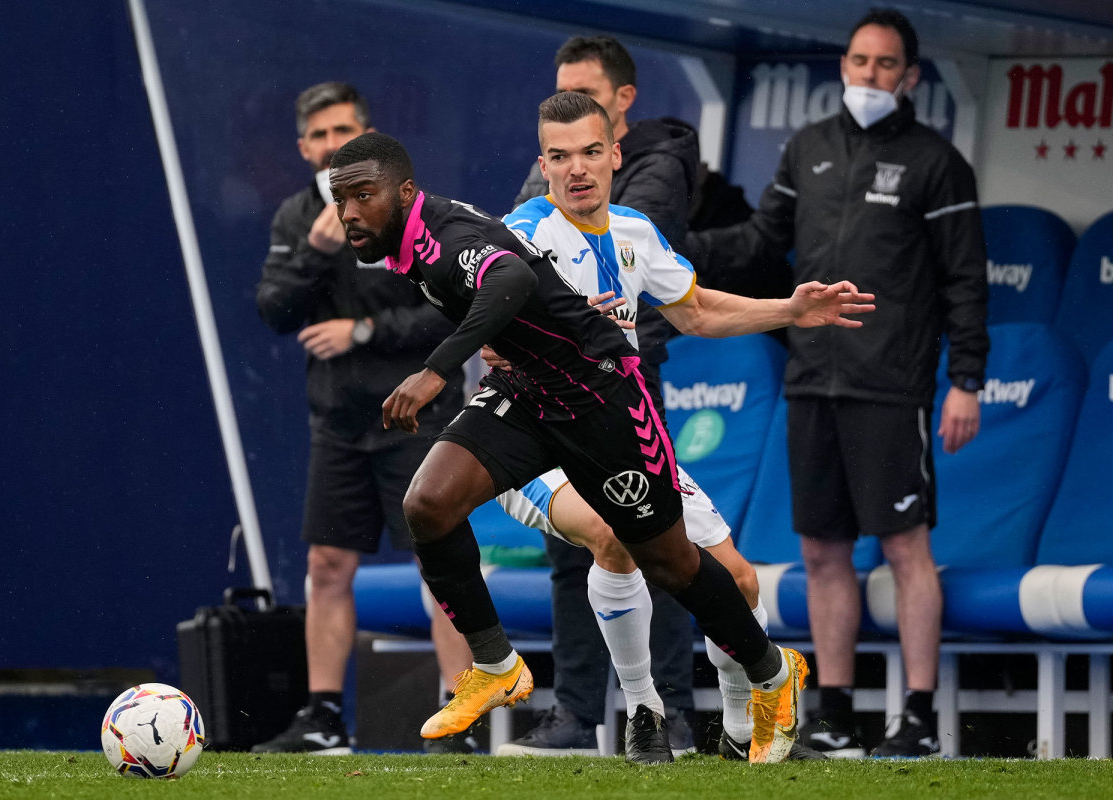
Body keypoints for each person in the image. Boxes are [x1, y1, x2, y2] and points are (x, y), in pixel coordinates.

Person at [327, 129, 875, 763]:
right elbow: (505, 291)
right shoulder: (496, 226)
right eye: (341, 200)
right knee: (427, 503)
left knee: (678, 565)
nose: (348, 213)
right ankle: (505, 667)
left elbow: (516, 284)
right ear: (542, 164)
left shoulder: (475, 237)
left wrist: (433, 371)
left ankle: (771, 676)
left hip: (603, 400)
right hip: (528, 395)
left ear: (617, 151)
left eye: (360, 196)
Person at [692, 8, 988, 758]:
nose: (870, 75)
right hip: (810, 381)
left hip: (891, 384)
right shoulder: (809, 147)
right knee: (823, 551)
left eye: (886, 64)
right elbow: (763, 243)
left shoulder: (936, 161)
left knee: (904, 547)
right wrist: (673, 248)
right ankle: (835, 712)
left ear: (911, 77)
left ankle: (917, 715)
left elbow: (965, 280)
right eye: (859, 61)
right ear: (844, 66)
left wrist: (968, 381)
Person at [491, 93, 823, 763]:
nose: (577, 169)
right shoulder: (519, 236)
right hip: (534, 443)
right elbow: (491, 344)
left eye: (591, 152)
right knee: (615, 532)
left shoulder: (636, 232)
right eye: (561, 157)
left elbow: (697, 312)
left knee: (739, 581)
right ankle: (644, 711)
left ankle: (742, 735)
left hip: (620, 438)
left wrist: (789, 308)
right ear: (543, 165)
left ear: (616, 154)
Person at [251, 82, 472, 755]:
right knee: (326, 566)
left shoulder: (411, 209)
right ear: (302, 149)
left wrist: (365, 330)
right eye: (317, 136)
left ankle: (459, 717)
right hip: (338, 423)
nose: (330, 146)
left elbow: (453, 310)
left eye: (342, 131)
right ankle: (322, 718)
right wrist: (318, 253)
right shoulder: (297, 218)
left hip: (418, 417)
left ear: (366, 137)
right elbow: (274, 311)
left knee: (443, 566)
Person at [505, 34, 706, 757]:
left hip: (626, 376)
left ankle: (670, 712)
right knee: (578, 545)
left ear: (621, 107)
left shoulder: (656, 172)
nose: (572, 165)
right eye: (557, 154)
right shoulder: (547, 181)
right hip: (550, 385)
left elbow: (608, 255)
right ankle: (578, 711)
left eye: (587, 101)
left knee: (657, 538)